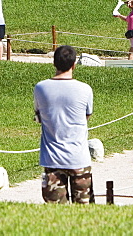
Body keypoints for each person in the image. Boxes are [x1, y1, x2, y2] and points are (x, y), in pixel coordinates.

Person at [34, 45, 95, 204]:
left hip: (51, 159)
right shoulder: (85, 89)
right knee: (85, 212)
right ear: (74, 64)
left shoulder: (41, 88)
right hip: (79, 157)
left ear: (54, 63)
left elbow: (39, 115)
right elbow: (87, 116)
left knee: (56, 214)